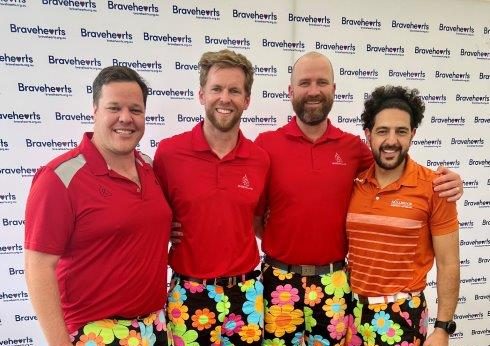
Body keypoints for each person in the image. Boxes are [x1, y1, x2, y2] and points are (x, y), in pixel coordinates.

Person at [254, 52, 462, 345]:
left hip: (336, 285)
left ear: (334, 90)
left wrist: (451, 182)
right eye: (304, 82)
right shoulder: (265, 146)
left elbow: (392, 163)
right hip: (278, 281)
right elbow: (250, 211)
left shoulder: (353, 150)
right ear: (290, 90)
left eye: (322, 82)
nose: (313, 90)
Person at [24, 66, 171, 346]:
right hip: (94, 334)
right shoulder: (59, 178)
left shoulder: (151, 168)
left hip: (155, 327)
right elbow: (38, 267)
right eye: (114, 107)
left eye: (135, 110)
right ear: (95, 110)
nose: (125, 118)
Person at [153, 50, 269, 345]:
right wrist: (164, 230)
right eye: (216, 88)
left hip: (246, 295)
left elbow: (259, 219)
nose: (225, 98)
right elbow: (150, 216)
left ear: (247, 100)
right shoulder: (169, 154)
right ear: (202, 95)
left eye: (234, 90)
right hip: (188, 294)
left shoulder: (260, 159)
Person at [347, 85, 459, 346]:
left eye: (401, 131)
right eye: (382, 131)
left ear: (413, 135)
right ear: (368, 135)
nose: (391, 140)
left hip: (402, 317)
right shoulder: (355, 184)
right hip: (351, 313)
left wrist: (443, 328)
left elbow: (449, 263)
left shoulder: (436, 187)